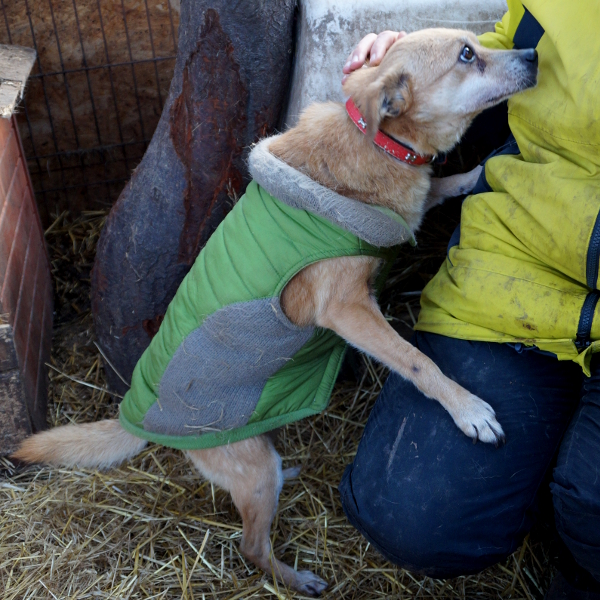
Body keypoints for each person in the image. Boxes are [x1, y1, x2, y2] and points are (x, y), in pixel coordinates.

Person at [337, 2, 600, 598]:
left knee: (590, 506)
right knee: (411, 518)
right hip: (517, 262)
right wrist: (406, 63)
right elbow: (516, 45)